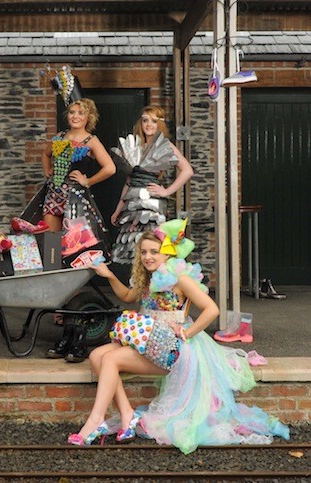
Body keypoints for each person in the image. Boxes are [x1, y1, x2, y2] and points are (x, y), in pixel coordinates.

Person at [68, 219, 289, 454]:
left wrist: (187, 332)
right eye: (143, 252)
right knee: (96, 355)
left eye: (154, 252)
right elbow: (126, 295)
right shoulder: (147, 279)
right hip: (147, 342)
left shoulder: (179, 280)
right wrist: (109, 275)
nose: (148, 257)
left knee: (110, 359)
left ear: (168, 255)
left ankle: (95, 420)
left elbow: (211, 309)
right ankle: (127, 415)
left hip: (172, 348)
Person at [111, 106, 194, 264]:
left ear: (160, 124)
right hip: (131, 206)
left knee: (153, 244)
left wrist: (166, 191)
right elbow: (129, 182)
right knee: (134, 246)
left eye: (154, 121)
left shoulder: (166, 145)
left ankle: (155, 286)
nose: (149, 124)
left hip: (151, 204)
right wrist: (118, 209)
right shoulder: (135, 146)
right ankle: (137, 286)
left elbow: (187, 170)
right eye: (145, 120)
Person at [41, 97, 116, 235]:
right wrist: (47, 170)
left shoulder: (91, 141)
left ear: (89, 117)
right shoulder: (60, 136)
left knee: (75, 241)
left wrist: (87, 181)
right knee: (51, 240)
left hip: (76, 197)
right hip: (54, 194)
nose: (75, 116)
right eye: (72, 112)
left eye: (81, 113)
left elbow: (110, 168)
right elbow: (46, 154)